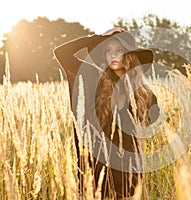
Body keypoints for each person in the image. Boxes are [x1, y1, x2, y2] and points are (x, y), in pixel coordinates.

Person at [54, 28, 160, 199]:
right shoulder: (92, 77)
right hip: (93, 170)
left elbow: (150, 121)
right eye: (108, 50)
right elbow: (62, 53)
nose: (113, 55)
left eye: (119, 50)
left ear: (129, 55)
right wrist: (96, 38)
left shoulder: (142, 92)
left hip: (127, 173)